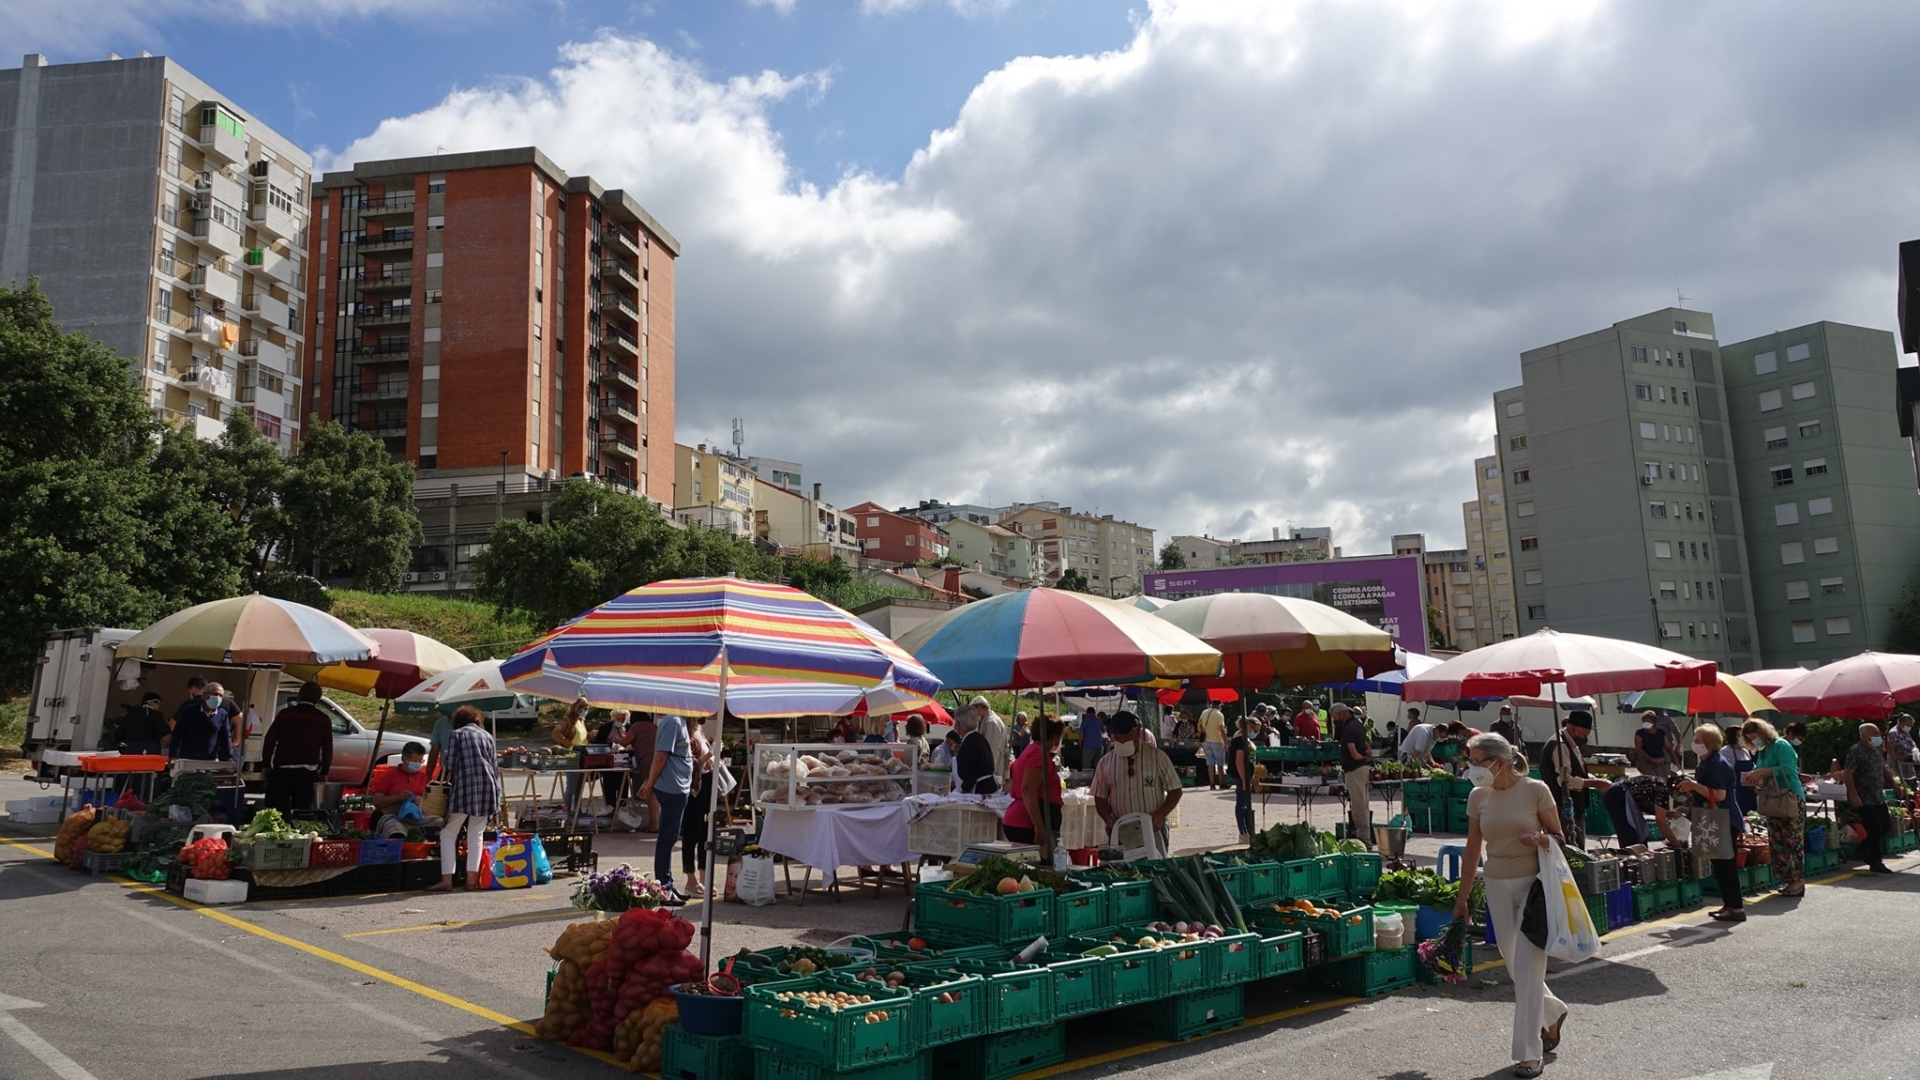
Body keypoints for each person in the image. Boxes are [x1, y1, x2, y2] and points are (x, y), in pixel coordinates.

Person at [1453, 732, 1567, 1078]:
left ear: (1499, 762)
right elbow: (1473, 849)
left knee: (1529, 971)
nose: (1471, 767)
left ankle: (1529, 1053)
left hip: (1535, 888)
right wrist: (1462, 898)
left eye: (1476, 760)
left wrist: (1542, 839)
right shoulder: (1478, 796)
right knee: (1514, 963)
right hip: (1497, 884)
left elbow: (1561, 837)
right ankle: (1552, 1012)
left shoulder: (1536, 790)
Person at [1676, 724, 1746, 922]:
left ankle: (1735, 908)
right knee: (1721, 865)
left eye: (1698, 740)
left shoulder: (1717, 763)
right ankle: (1730, 904)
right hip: (1715, 817)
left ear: (1709, 743)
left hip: (1724, 818)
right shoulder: (1707, 762)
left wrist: (1693, 785)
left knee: (1725, 865)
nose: (1695, 743)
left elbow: (1720, 794)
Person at [1091, 712, 1183, 852]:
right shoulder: (1105, 762)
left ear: (1137, 732)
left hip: (1153, 828)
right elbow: (1099, 796)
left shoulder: (1157, 757)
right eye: (1117, 738)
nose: (1122, 742)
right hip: (1122, 829)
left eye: (1126, 737)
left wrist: (1161, 814)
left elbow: (1175, 789)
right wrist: (1109, 820)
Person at [430, 706, 499, 893]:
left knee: (448, 833)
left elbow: (450, 765)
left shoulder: (457, 735)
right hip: (488, 788)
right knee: (476, 835)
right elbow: (495, 767)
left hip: (464, 788)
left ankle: (446, 880)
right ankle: (471, 880)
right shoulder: (487, 736)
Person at [1740, 718, 1807, 894]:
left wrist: (1762, 771)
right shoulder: (1763, 751)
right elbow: (1764, 771)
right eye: (1750, 738)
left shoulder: (1781, 745)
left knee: (1792, 841)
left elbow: (1788, 769)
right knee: (1777, 842)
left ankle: (1797, 881)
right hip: (1773, 800)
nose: (1754, 741)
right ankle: (1787, 879)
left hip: (1789, 798)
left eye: (1755, 736)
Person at [638, 712, 695, 903]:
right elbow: (660, 756)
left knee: (669, 839)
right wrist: (650, 784)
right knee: (667, 839)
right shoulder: (674, 722)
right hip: (673, 788)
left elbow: (663, 758)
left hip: (676, 786)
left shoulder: (678, 722)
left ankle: (667, 884)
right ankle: (664, 888)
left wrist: (649, 781)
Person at [260, 681, 334, 812]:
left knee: (274, 813)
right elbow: (328, 749)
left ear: (299, 695)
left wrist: (266, 764)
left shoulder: (285, 714)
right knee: (301, 814)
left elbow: (270, 740)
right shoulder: (324, 720)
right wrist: (324, 772)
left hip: (282, 772)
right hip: (307, 775)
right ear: (318, 699)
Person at [1540, 711, 1608, 850]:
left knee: (1578, 847)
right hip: (1563, 807)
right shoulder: (1560, 746)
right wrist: (1594, 783)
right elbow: (1566, 780)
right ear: (1573, 729)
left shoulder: (1571, 744)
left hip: (1575, 806)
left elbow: (1576, 771)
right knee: (1572, 849)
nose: (1585, 738)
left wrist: (1594, 779)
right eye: (1584, 734)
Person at [1841, 722, 1898, 875]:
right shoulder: (1856, 750)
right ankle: (1875, 860)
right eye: (1875, 733)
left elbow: (1883, 769)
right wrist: (1853, 794)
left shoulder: (1878, 750)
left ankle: (1863, 850)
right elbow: (1848, 773)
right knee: (1874, 828)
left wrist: (1894, 784)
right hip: (1863, 796)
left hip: (1877, 795)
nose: (1878, 736)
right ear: (1865, 735)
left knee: (1885, 825)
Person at [1003, 716, 1064, 857]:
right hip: (1026, 823)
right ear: (1054, 736)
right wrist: (1038, 825)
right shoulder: (1038, 753)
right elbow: (1028, 789)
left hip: (1021, 819)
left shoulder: (1031, 750)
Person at [680, 715, 717, 897]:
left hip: (707, 782)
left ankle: (704, 878)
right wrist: (709, 755)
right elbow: (689, 762)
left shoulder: (699, 730)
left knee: (706, 830)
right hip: (693, 787)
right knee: (692, 831)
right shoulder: (683, 731)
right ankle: (691, 879)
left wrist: (712, 757)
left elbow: (703, 761)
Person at [371, 743, 432, 838]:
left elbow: (430, 801)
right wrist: (397, 797)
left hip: (416, 816)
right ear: (404, 759)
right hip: (393, 815)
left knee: (439, 823)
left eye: (420, 761)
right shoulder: (390, 776)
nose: (417, 763)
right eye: (414, 760)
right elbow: (376, 801)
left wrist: (421, 801)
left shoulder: (423, 778)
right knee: (395, 829)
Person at [1334, 703, 1372, 847]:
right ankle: (1364, 838)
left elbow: (1354, 753)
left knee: (1358, 807)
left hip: (1355, 770)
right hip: (1363, 769)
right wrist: (1365, 755)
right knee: (1363, 804)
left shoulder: (1349, 729)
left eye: (1335, 716)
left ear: (1342, 714)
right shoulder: (1358, 724)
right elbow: (1367, 747)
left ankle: (1364, 840)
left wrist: (1360, 756)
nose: (1334, 719)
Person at [169, 680, 234, 762]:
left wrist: (229, 756)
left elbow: (225, 737)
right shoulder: (189, 711)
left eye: (221, 696)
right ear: (205, 695)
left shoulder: (222, 714)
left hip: (210, 759)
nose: (218, 698)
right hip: (188, 758)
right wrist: (172, 755)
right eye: (215, 694)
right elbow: (177, 734)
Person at [553, 699, 590, 816]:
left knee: (580, 787)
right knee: (571, 787)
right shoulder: (568, 720)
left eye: (587, 708)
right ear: (575, 707)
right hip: (571, 756)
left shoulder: (582, 721)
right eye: (582, 707)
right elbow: (556, 733)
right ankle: (567, 812)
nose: (584, 710)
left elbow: (582, 739)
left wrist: (590, 736)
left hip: (583, 755)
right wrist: (569, 745)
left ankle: (577, 811)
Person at [954, 711, 999, 795]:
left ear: (959, 724)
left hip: (980, 790)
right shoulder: (980, 738)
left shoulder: (969, 742)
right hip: (990, 786)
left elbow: (970, 775)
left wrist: (962, 794)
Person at [1228, 714, 1257, 846]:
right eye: (1254, 729)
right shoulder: (1240, 739)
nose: (1255, 732)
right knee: (1241, 803)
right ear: (1247, 726)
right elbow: (1239, 762)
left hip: (1245, 774)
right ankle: (1243, 832)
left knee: (1244, 803)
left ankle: (1247, 831)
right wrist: (1245, 780)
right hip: (1241, 775)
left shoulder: (1241, 736)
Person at [969, 696, 1009, 783]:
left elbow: (991, 753)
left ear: (979, 709)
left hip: (992, 777)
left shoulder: (991, 722)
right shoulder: (986, 721)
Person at [1632, 710, 1674, 777]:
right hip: (1646, 761)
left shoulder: (1661, 733)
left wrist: (1675, 761)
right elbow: (1638, 749)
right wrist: (1651, 760)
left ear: (1654, 722)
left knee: (1664, 779)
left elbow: (1669, 747)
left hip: (1660, 761)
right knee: (1652, 778)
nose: (1646, 723)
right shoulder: (1640, 733)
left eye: (1648, 721)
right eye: (1644, 721)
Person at [1198, 701, 1228, 789]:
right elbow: (1221, 730)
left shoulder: (1204, 712)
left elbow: (1199, 725)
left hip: (1206, 741)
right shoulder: (1219, 715)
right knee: (1220, 763)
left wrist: (1201, 738)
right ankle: (1222, 782)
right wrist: (1225, 742)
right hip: (1217, 741)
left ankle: (1212, 783)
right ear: (1219, 706)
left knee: (1210, 762)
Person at [1887, 713, 1918, 784]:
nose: (1909, 728)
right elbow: (1890, 749)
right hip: (1898, 763)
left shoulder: (1905, 732)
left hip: (1908, 762)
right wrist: (1901, 757)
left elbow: (1912, 744)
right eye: (1908, 726)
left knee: (1911, 782)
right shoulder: (1894, 733)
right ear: (1901, 723)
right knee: (1901, 783)